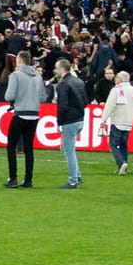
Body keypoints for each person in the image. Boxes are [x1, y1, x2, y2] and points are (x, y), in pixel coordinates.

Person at [1, 54, 44, 188]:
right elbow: (43, 97)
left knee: (11, 147)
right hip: (34, 115)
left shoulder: (16, 75)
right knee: (29, 149)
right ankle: (28, 180)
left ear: (19, 61)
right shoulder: (38, 76)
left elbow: (9, 96)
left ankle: (13, 178)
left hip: (20, 114)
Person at [52, 58, 89, 188]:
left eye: (57, 68)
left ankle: (73, 180)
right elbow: (85, 100)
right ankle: (77, 175)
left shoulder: (63, 84)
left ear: (62, 69)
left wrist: (59, 122)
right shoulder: (78, 81)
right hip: (80, 119)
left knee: (69, 150)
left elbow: (62, 105)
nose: (55, 70)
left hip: (69, 120)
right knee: (67, 148)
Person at [102, 70, 133, 175]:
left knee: (113, 145)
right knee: (124, 145)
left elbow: (110, 106)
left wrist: (103, 120)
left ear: (121, 79)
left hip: (118, 120)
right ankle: (124, 167)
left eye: (117, 77)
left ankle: (121, 163)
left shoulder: (116, 90)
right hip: (129, 122)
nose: (115, 79)